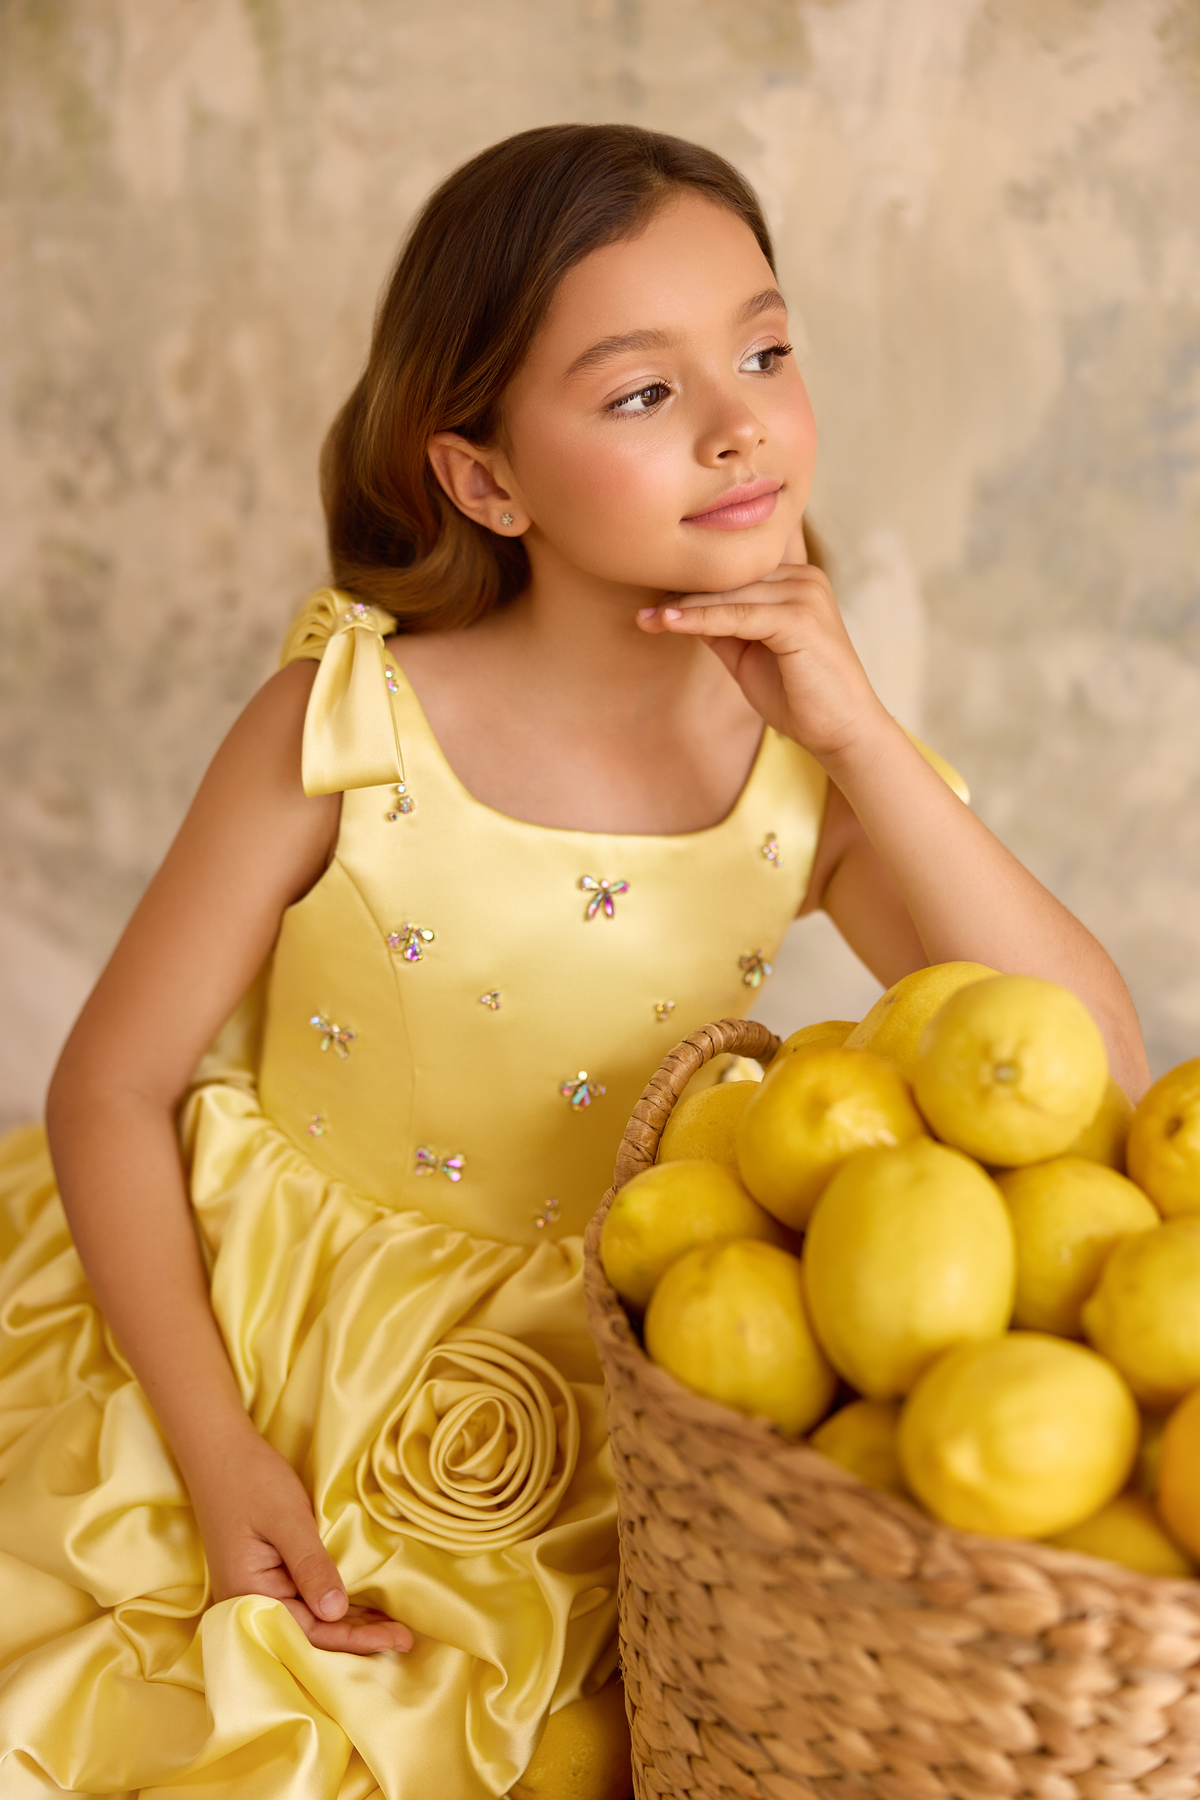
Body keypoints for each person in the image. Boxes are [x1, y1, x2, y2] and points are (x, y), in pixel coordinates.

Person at [0, 123, 1147, 1799]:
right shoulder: (349, 723)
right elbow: (108, 1086)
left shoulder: (811, 777)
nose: (740, 423)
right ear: (486, 482)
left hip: (611, 1389)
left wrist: (865, 738)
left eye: (766, 352)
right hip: (255, 1340)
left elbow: (1094, 1070)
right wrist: (216, 1447)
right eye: (643, 392)